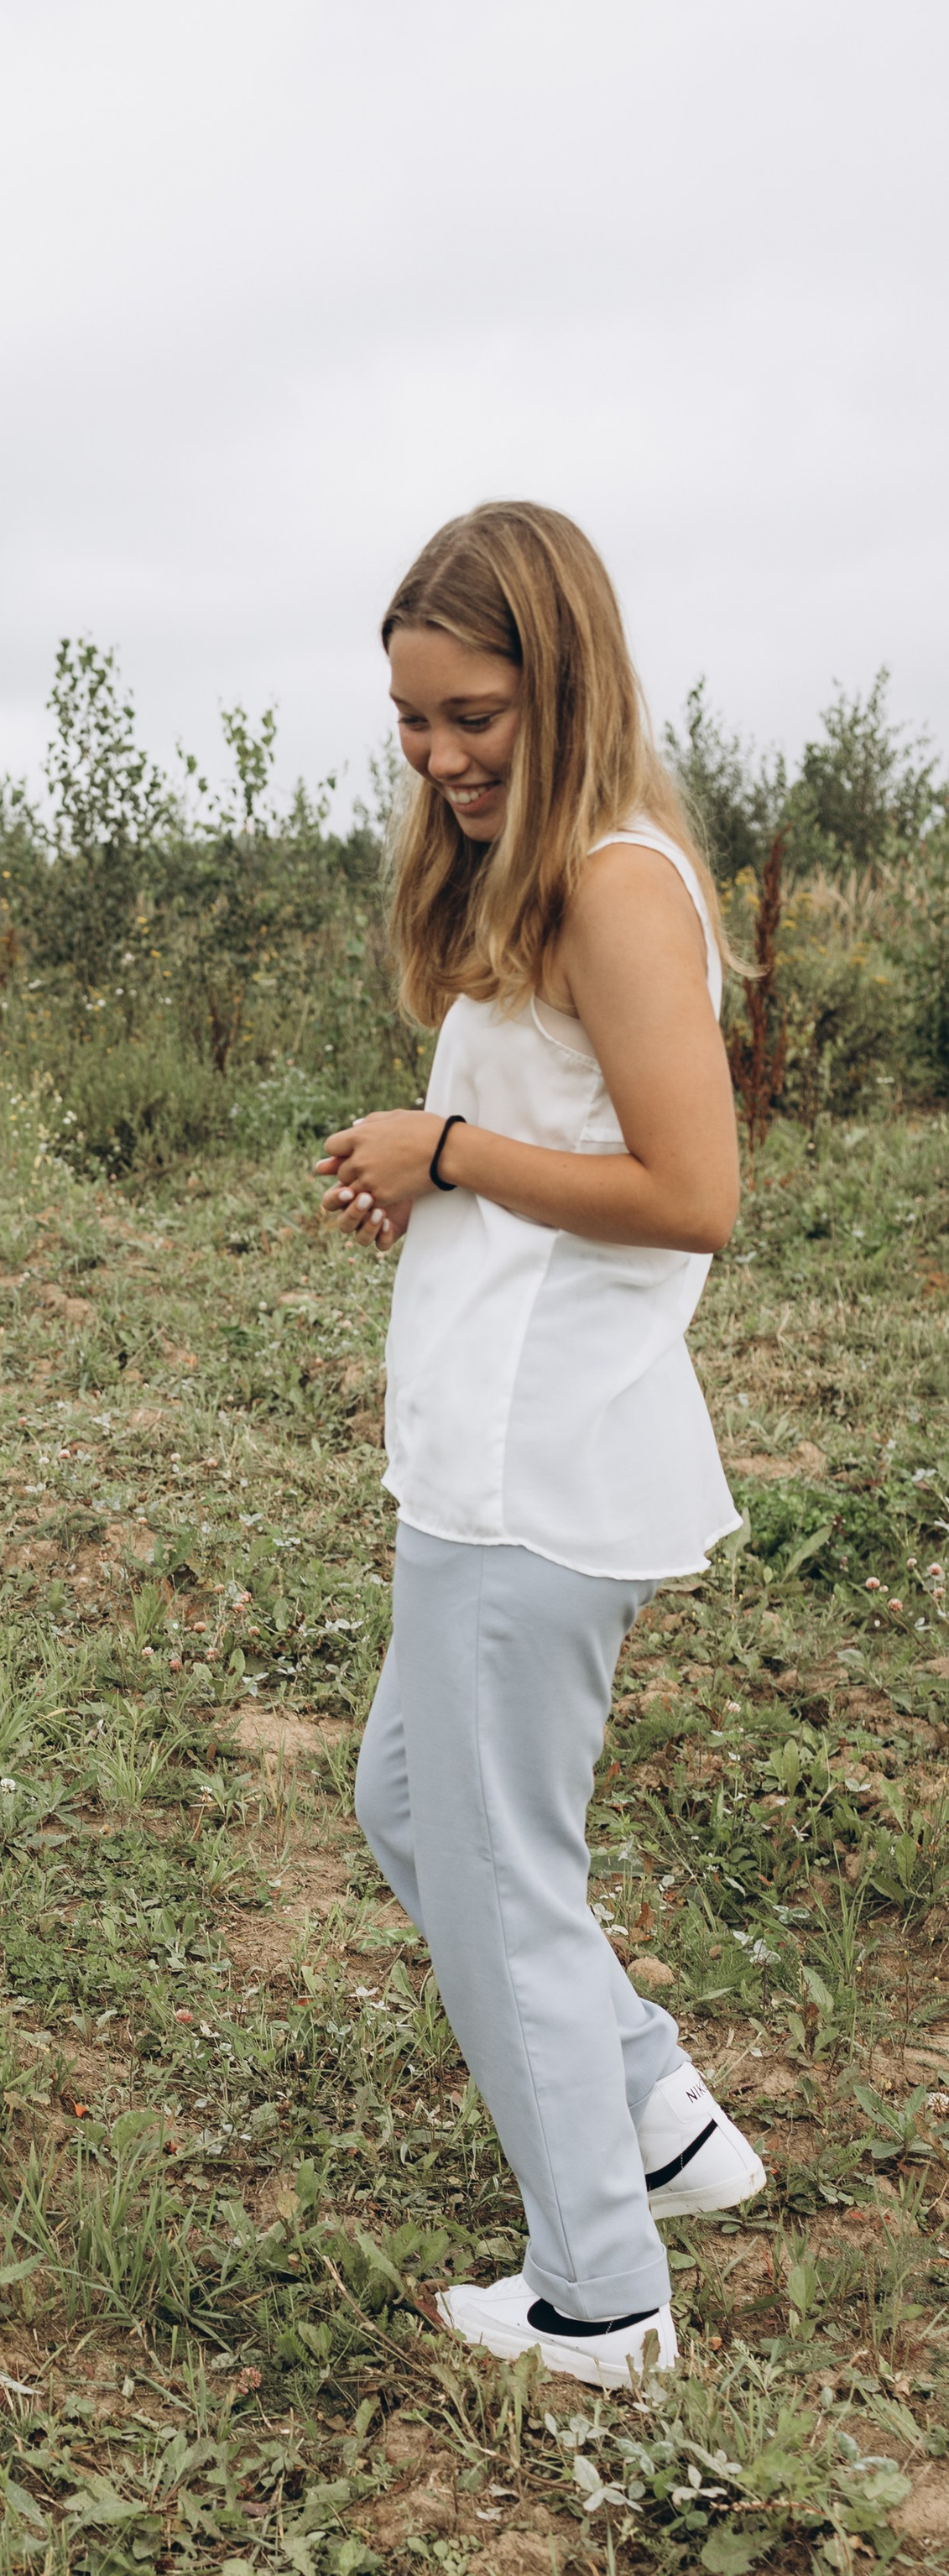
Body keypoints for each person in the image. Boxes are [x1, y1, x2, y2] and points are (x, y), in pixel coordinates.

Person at [317, 500, 765, 2392]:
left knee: (495, 1869)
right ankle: (654, 2114)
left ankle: (599, 2294)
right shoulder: (548, 877)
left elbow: (691, 1192)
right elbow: (561, 1152)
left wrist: (449, 1152)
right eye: (413, 721)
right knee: (413, 1808)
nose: (439, 755)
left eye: (473, 715)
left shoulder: (614, 885)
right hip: (489, 1446)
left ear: (562, 682)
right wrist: (440, 1182)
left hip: (540, 1462)